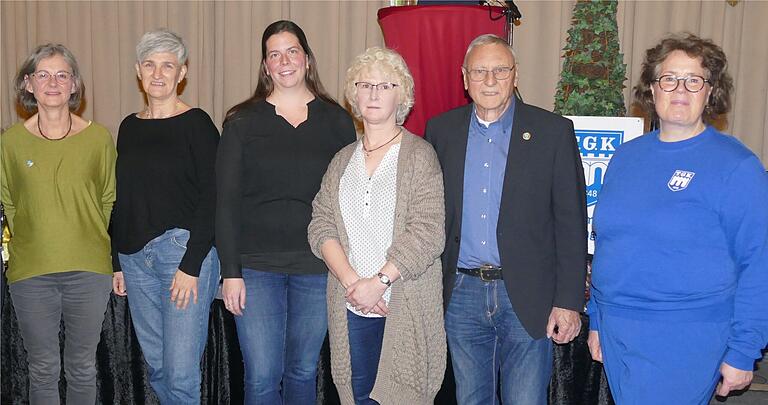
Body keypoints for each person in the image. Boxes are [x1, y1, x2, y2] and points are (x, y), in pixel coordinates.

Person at [587, 33, 768, 404]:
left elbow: (758, 263)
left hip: (686, 335)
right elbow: (609, 243)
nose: (679, 89)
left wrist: (743, 349)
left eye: (693, 79)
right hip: (618, 330)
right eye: (668, 78)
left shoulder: (737, 166)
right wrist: (597, 321)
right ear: (652, 90)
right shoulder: (625, 158)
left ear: (710, 91)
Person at [425, 34, 587, 404]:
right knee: (470, 399)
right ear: (464, 78)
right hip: (461, 295)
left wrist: (568, 301)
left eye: (500, 70)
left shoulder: (552, 132)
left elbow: (571, 223)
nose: (490, 80)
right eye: (480, 71)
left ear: (515, 75)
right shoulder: (441, 131)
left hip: (527, 296)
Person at [216, 20, 356, 404]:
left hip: (317, 266)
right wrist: (230, 272)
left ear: (307, 59)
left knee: (303, 370)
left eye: (292, 51)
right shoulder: (241, 121)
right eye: (274, 54)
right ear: (265, 66)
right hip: (256, 267)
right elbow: (225, 202)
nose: (284, 61)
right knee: (262, 376)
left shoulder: (338, 121)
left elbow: (351, 201)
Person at [308, 47, 447, 405]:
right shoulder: (341, 161)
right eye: (365, 84)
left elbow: (429, 230)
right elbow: (320, 225)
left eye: (385, 86)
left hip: (403, 304)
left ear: (401, 96)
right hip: (351, 305)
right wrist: (355, 284)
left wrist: (380, 281)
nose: (372, 93)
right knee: (357, 396)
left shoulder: (419, 155)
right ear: (353, 94)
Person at [1, 43, 116, 405]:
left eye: (62, 74)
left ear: (74, 85)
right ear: (28, 84)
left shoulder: (99, 138)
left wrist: (84, 235)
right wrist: (36, 239)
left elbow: (107, 199)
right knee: (43, 368)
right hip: (31, 272)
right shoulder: (10, 142)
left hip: (89, 270)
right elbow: (9, 202)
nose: (53, 82)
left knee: (82, 368)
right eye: (43, 74)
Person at [110, 30, 220, 404]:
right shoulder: (128, 127)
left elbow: (213, 198)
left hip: (182, 254)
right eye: (150, 64)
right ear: (138, 71)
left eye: (168, 65)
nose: (158, 73)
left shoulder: (198, 123)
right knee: (158, 369)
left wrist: (191, 266)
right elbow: (122, 199)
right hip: (134, 260)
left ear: (182, 72)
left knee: (180, 373)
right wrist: (117, 261)